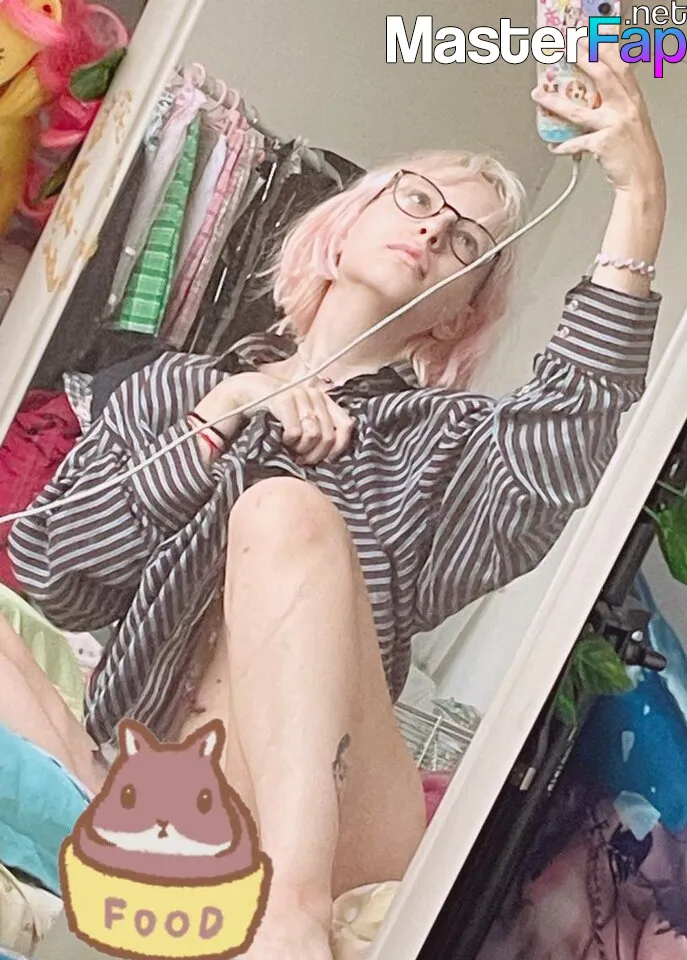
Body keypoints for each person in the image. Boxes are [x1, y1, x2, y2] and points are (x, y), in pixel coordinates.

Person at [6, 39, 667, 960]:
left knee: (280, 511)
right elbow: (55, 573)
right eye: (417, 200)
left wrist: (637, 204)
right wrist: (220, 419)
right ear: (343, 224)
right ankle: (107, 832)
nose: (433, 232)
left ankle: (291, 919)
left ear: (459, 311)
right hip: (147, 769)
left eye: (466, 243)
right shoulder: (174, 389)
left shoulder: (446, 443)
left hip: (338, 811)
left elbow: (568, 430)